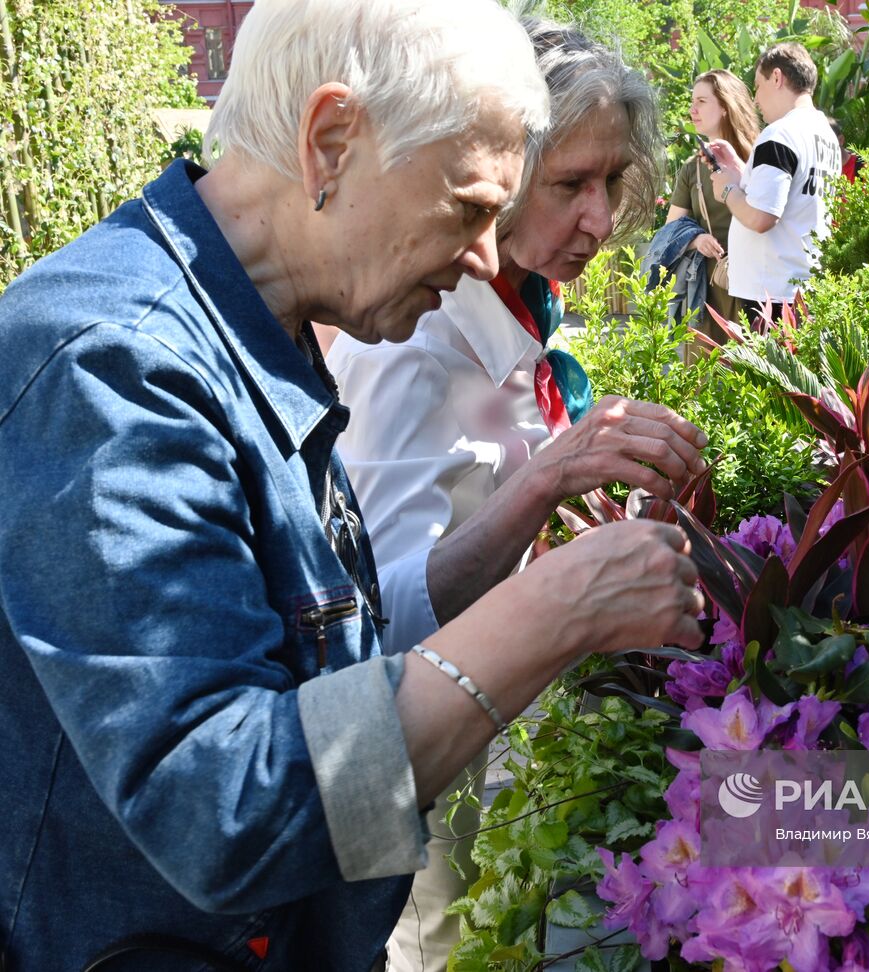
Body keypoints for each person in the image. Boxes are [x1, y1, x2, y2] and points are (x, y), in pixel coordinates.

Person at [0, 2, 705, 970]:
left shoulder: (254, 327)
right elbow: (228, 814)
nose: (483, 259)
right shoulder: (110, 364)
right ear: (332, 142)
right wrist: (550, 617)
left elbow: (340, 651)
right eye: (467, 208)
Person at [326, 20, 684, 972]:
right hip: (409, 757)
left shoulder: (515, 313)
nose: (602, 221)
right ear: (501, 172)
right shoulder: (414, 339)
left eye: (612, 182)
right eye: (571, 184)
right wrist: (551, 478)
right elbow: (376, 622)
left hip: (485, 722)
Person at [707, 43, 842, 328]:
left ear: (777, 78)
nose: (755, 99)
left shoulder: (779, 134)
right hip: (804, 286)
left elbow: (761, 216)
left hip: (771, 295)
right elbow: (790, 195)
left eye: (757, 86)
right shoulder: (824, 134)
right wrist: (739, 170)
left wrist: (727, 191)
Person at [664, 69, 761, 338]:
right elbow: (671, 229)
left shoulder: (760, 159)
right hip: (710, 289)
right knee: (706, 375)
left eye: (702, 102)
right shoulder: (692, 169)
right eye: (692, 101)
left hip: (758, 286)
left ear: (725, 107)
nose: (692, 109)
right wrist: (696, 240)